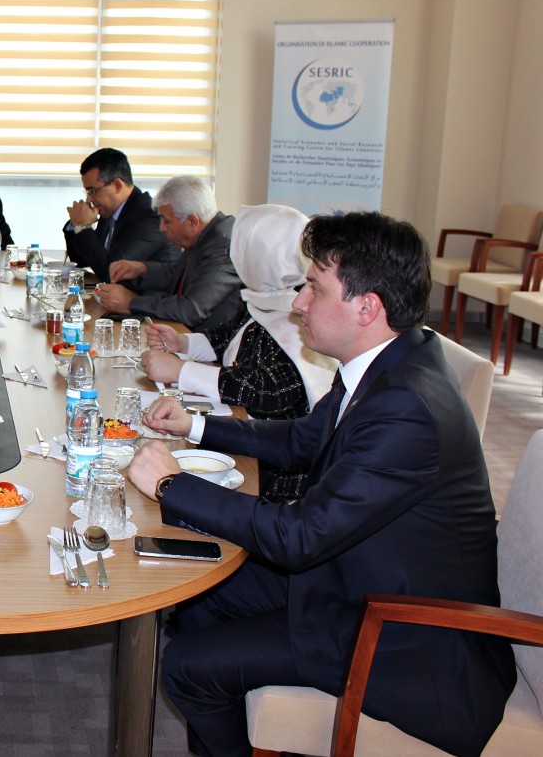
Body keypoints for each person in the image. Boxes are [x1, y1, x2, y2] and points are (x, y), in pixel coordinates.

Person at [128, 211, 514, 757]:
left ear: (367, 307)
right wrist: (196, 426)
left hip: (401, 634)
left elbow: (300, 536)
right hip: (354, 573)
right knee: (200, 594)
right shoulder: (390, 358)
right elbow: (302, 439)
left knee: (187, 666)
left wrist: (172, 485)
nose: (298, 303)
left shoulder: (405, 407)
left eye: (314, 288)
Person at [138, 203, 337, 501]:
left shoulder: (301, 316)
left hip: (274, 471)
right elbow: (229, 336)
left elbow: (264, 390)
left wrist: (181, 370)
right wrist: (182, 343)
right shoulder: (263, 296)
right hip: (240, 435)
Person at [95, 175, 241, 332]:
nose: (162, 228)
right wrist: (142, 269)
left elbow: (191, 309)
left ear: (193, 221)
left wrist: (130, 302)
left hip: (212, 342)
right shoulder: (208, 233)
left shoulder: (223, 245)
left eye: (167, 221)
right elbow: (180, 273)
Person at [62, 147, 179, 283]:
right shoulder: (110, 212)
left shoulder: (149, 217)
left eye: (93, 191)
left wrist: (83, 227)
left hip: (148, 296)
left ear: (118, 185)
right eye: (87, 192)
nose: (89, 199)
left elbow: (112, 273)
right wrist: (76, 224)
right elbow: (81, 260)